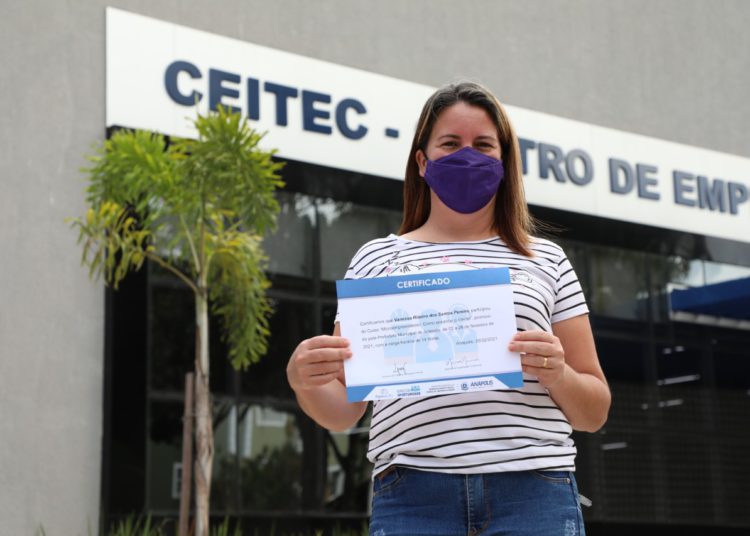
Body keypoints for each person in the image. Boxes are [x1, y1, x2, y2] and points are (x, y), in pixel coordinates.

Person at [286, 81, 611, 535]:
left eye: (483, 145)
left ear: (504, 162)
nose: (467, 156)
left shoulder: (547, 259)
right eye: (451, 143)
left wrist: (558, 372)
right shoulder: (376, 259)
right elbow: (344, 411)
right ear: (422, 162)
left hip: (534, 492)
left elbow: (594, 412)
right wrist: (303, 381)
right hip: (412, 496)